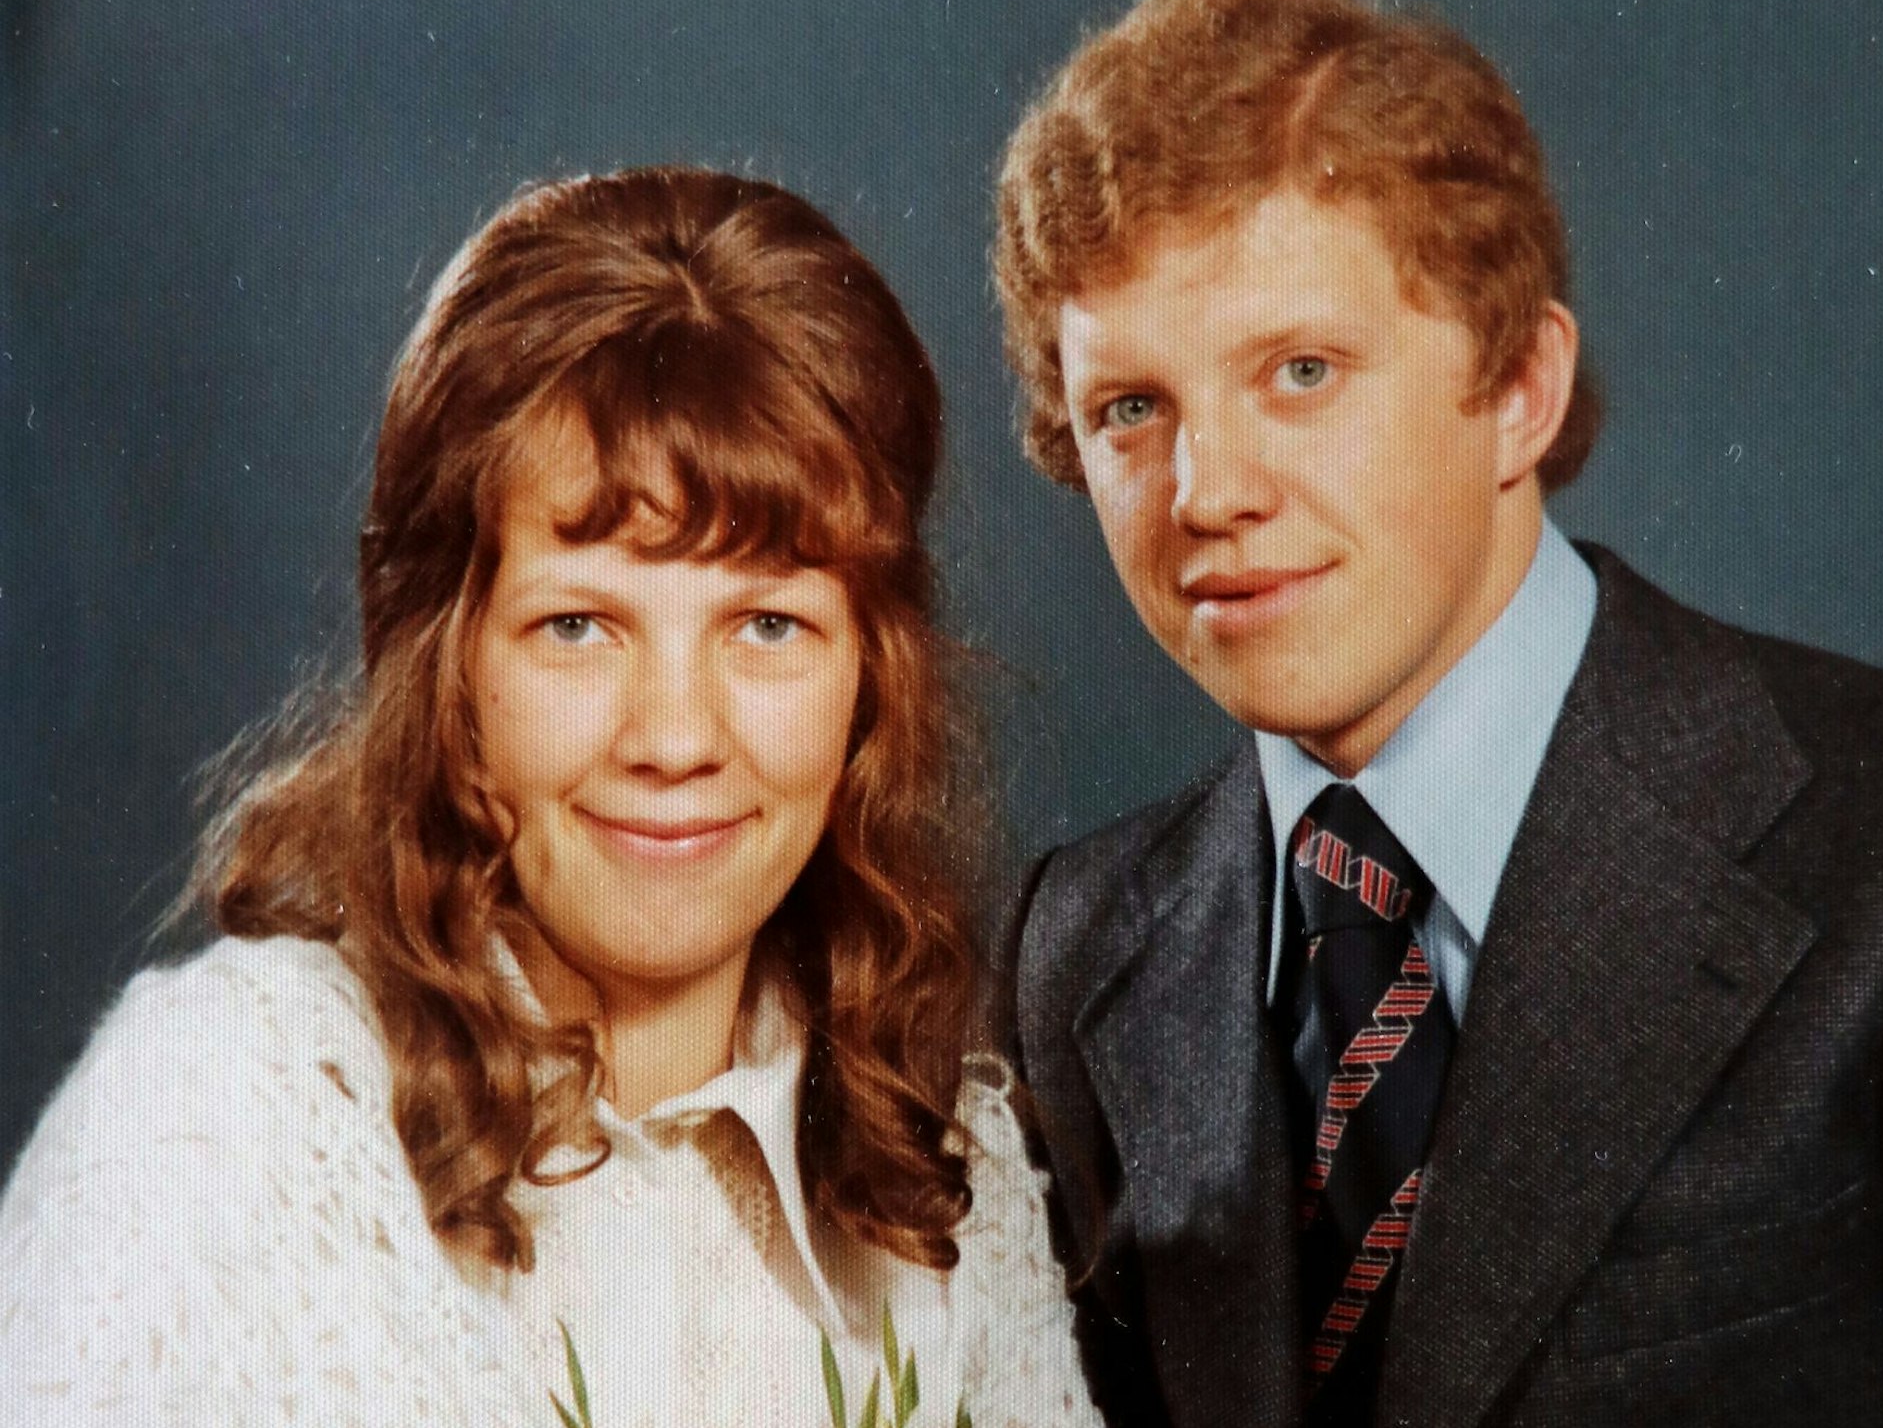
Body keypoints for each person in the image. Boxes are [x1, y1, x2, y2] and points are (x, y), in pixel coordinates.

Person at [992, 0, 1883, 1428]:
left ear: (1520, 386)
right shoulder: (1075, 950)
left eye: (1301, 371)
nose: (1209, 495)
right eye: (1130, 411)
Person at [0, 166, 1102, 1428]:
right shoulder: (212, 1118)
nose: (675, 736)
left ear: (870, 680)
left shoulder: (951, 1174)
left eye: (768, 625)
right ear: (445, 666)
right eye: (577, 625)